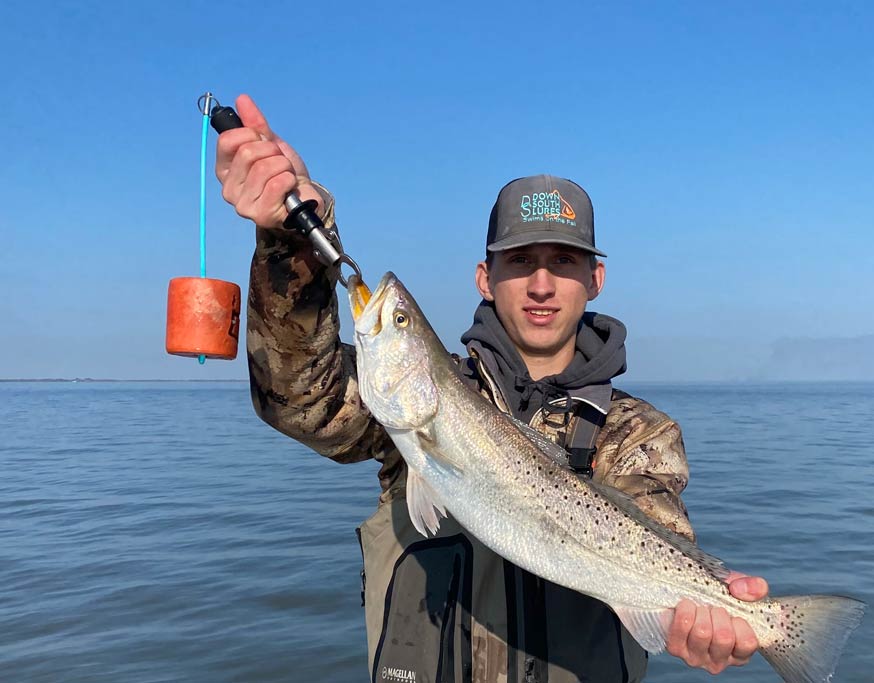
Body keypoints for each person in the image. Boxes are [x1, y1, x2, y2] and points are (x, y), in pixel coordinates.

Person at [216, 94, 769, 683]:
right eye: (519, 260)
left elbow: (661, 537)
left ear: (595, 280)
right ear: (485, 277)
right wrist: (295, 243)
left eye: (563, 260)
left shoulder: (639, 433)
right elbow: (299, 396)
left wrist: (710, 617)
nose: (540, 283)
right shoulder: (415, 409)